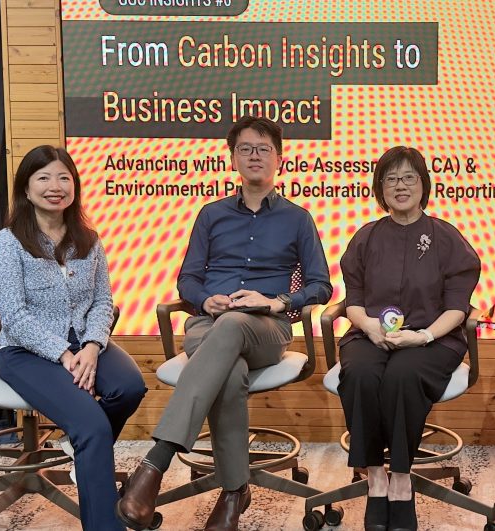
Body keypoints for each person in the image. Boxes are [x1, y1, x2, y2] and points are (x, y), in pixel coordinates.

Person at [117, 115, 333, 531]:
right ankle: (235, 492)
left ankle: (157, 459)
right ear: (232, 158)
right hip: (207, 325)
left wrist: (276, 301)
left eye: (263, 149)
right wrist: (204, 299)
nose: (254, 156)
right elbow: (188, 279)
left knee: (234, 324)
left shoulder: (298, 218)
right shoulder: (211, 215)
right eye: (245, 149)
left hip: (266, 329)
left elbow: (321, 286)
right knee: (230, 373)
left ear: (279, 159)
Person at [0, 145, 147, 531]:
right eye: (43, 178)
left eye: (64, 177)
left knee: (129, 388)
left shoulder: (88, 239)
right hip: (25, 352)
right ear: (26, 190)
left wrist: (92, 346)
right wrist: (62, 353)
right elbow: (14, 318)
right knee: (92, 427)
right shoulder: (9, 242)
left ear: (74, 185)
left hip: (84, 344)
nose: (55, 186)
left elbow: (103, 302)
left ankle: (83, 453)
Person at [336, 146, 481, 531]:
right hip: (369, 334)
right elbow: (353, 302)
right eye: (391, 179)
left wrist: (423, 336)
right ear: (380, 188)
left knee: (403, 375)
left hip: (433, 339)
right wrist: (369, 327)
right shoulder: (365, 238)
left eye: (408, 178)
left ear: (423, 185)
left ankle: (400, 478)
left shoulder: (447, 238)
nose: (400, 186)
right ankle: (375, 477)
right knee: (361, 374)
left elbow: (458, 307)